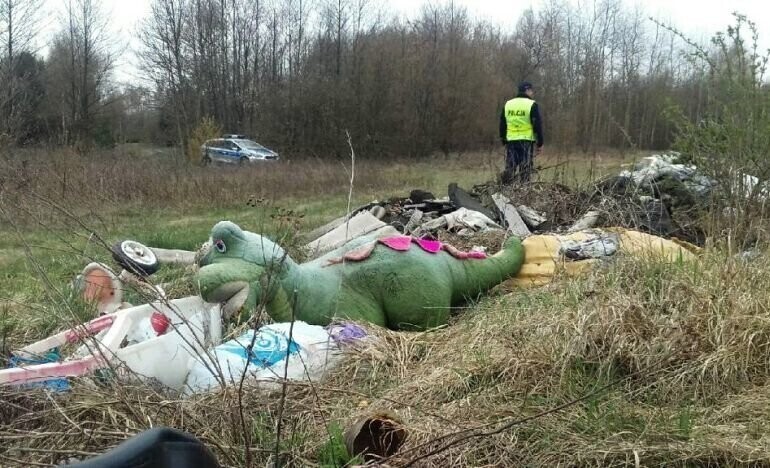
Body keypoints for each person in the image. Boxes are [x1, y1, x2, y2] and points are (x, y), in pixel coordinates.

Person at [499, 81, 544, 184]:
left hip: (511, 141)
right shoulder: (532, 104)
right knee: (525, 170)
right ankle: (523, 194)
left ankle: (506, 192)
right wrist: (540, 143)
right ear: (527, 90)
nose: (532, 93)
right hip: (526, 141)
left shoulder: (508, 104)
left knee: (510, 168)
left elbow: (502, 123)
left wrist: (503, 139)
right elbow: (537, 125)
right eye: (531, 90)